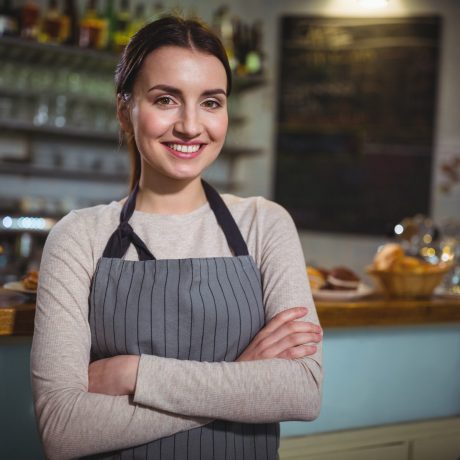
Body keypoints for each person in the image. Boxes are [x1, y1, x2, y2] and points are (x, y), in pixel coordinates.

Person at [31, 15, 323, 460]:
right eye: (166, 99)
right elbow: (64, 429)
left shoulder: (265, 224)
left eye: (211, 102)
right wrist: (240, 379)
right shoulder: (79, 237)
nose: (190, 126)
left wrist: (136, 373)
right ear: (124, 110)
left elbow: (302, 392)